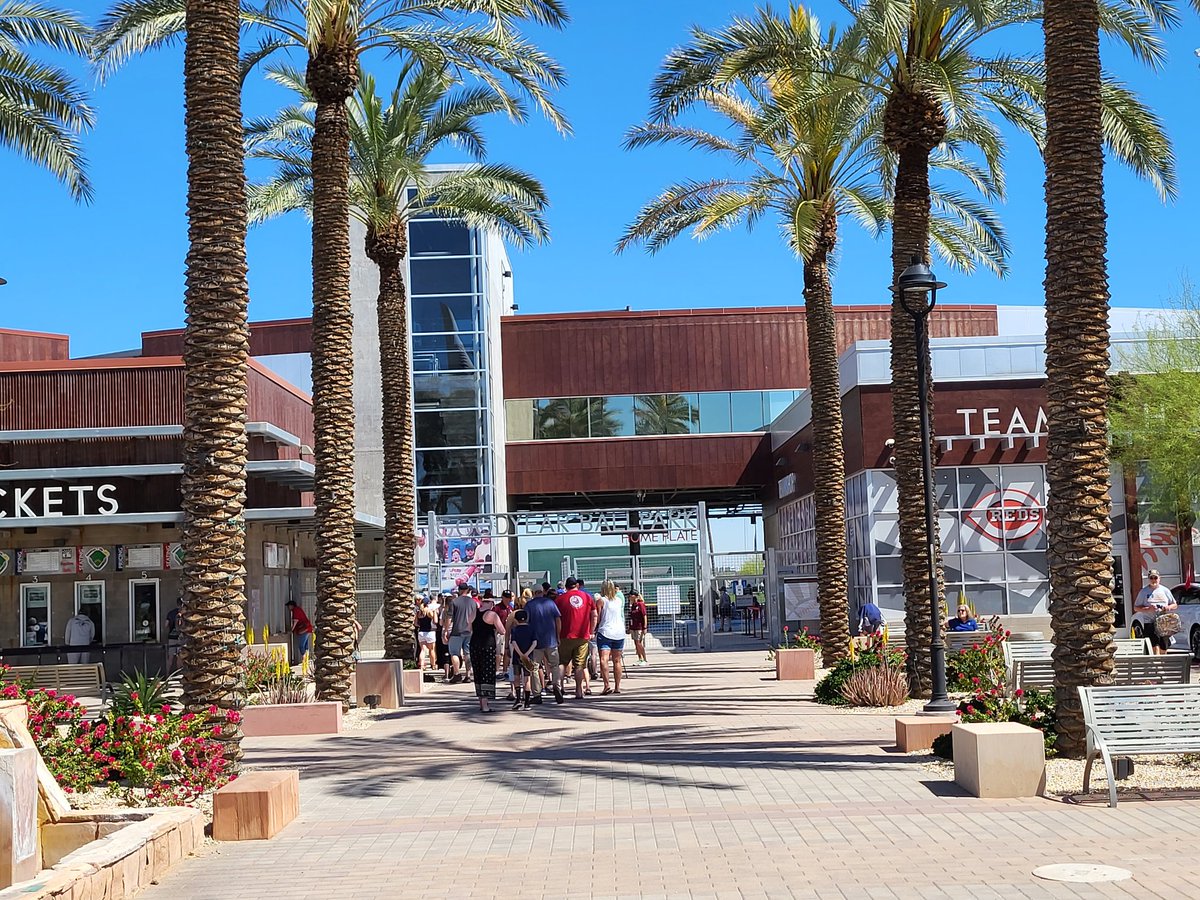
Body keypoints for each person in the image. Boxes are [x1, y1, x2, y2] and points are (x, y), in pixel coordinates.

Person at [556, 577, 597, 700]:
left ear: (566, 587)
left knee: (562, 663)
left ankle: (560, 687)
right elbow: (594, 615)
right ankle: (579, 690)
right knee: (579, 665)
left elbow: (556, 619)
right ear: (577, 585)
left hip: (565, 635)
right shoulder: (587, 597)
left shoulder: (559, 599)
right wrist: (591, 631)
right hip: (582, 635)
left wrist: (557, 634)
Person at [525, 585, 563, 704]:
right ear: (542, 592)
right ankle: (557, 686)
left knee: (534, 668)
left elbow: (525, 622)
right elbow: (558, 620)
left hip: (535, 642)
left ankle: (537, 693)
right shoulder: (550, 603)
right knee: (554, 665)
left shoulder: (529, 605)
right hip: (551, 640)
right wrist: (558, 636)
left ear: (533, 593)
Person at [468, 595, 505, 712]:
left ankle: (481, 702)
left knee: (478, 673)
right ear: (491, 604)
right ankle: (485, 705)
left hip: (474, 645)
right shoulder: (492, 615)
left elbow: (469, 629)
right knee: (487, 673)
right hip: (487, 646)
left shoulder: (474, 613)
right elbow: (502, 630)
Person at [1135, 569, 1178, 655]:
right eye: (1151, 578)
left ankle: (1162, 665)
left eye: (1155, 578)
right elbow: (1136, 608)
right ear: (1149, 579)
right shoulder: (1143, 592)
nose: (1154, 580)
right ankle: (1156, 665)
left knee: (1163, 647)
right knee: (1154, 646)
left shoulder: (1165, 590)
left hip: (1163, 622)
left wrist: (1168, 607)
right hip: (1150, 622)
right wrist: (1148, 609)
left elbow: (1175, 604)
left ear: (1159, 578)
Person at [595, 579, 627, 695]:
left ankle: (606, 685)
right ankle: (617, 686)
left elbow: (597, 618)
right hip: (619, 632)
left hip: (605, 631)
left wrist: (593, 628)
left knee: (604, 659)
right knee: (617, 660)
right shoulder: (618, 600)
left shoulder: (601, 601)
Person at [443, 583, 477, 683]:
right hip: (469, 631)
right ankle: (468, 675)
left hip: (456, 631)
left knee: (454, 653)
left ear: (459, 590)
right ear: (467, 590)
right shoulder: (473, 602)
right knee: (468, 653)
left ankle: (457, 674)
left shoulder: (454, 602)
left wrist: (445, 631)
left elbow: (449, 617)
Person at [508, 608, 539, 710]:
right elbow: (535, 643)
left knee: (517, 677)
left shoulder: (514, 629)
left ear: (516, 620)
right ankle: (527, 702)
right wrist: (526, 654)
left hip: (517, 656)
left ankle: (518, 699)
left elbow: (514, 642)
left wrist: (520, 654)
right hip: (528, 657)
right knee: (527, 679)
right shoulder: (532, 629)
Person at [627, 590, 649, 666]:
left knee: (639, 643)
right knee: (636, 643)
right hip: (634, 627)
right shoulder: (633, 605)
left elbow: (644, 616)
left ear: (635, 596)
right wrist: (629, 627)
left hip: (639, 627)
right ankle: (640, 658)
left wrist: (645, 627)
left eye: (631, 595)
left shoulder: (640, 604)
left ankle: (645, 659)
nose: (629, 596)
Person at [416, 599, 438, 672]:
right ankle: (433, 665)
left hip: (421, 632)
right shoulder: (429, 611)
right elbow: (435, 621)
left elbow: (416, 623)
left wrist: (420, 625)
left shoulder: (419, 612)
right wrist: (434, 611)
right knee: (431, 650)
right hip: (429, 632)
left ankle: (422, 665)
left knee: (422, 650)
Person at [165, 598, 184, 669]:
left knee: (170, 657)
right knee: (179, 657)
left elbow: (166, 625)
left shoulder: (170, 613)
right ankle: (179, 674)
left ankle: (167, 674)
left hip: (171, 637)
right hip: (180, 637)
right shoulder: (182, 613)